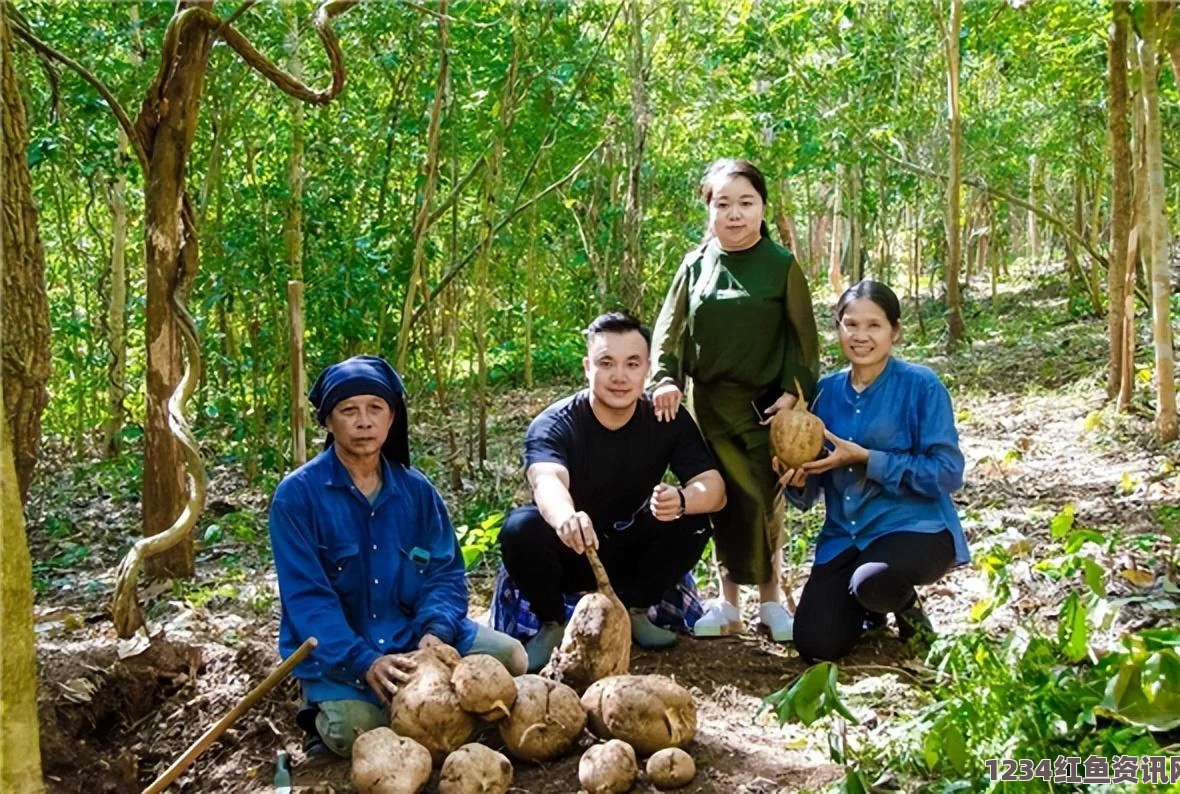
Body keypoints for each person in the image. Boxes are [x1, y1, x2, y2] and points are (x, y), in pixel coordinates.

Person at [269, 355, 527, 758]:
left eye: (376, 409)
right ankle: (321, 704)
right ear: (327, 421)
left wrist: (435, 631)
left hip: (416, 636)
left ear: (392, 418)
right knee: (354, 733)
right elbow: (308, 599)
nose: (364, 422)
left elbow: (444, 573)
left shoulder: (417, 491)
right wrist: (364, 660)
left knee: (512, 658)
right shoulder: (297, 497)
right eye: (348, 411)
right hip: (344, 653)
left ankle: (434, 712)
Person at [649, 158, 820, 643]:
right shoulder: (695, 264)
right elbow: (670, 329)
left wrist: (794, 391)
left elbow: (804, 338)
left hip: (768, 407)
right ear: (709, 210)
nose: (735, 214)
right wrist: (665, 379)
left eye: (746, 203)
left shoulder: (781, 265)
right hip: (709, 407)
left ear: (762, 208)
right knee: (722, 499)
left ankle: (771, 601)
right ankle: (726, 604)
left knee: (764, 498)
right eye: (723, 204)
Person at [497, 312, 726, 672]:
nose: (620, 376)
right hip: (570, 551)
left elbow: (714, 489)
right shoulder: (556, 422)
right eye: (607, 363)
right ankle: (552, 624)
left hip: (631, 553)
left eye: (632, 364)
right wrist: (566, 518)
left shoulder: (665, 417)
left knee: (693, 519)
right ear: (588, 366)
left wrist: (681, 500)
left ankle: (637, 610)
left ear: (647, 369)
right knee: (520, 529)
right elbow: (546, 479)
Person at [776, 281, 970, 661]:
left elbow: (948, 473)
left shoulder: (921, 386)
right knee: (816, 645)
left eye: (874, 326)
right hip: (844, 536)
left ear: (894, 332)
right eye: (850, 324)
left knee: (875, 582)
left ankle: (906, 609)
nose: (860, 336)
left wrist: (867, 458)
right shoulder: (825, 393)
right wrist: (796, 479)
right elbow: (812, 489)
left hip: (913, 529)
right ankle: (867, 609)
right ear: (838, 329)